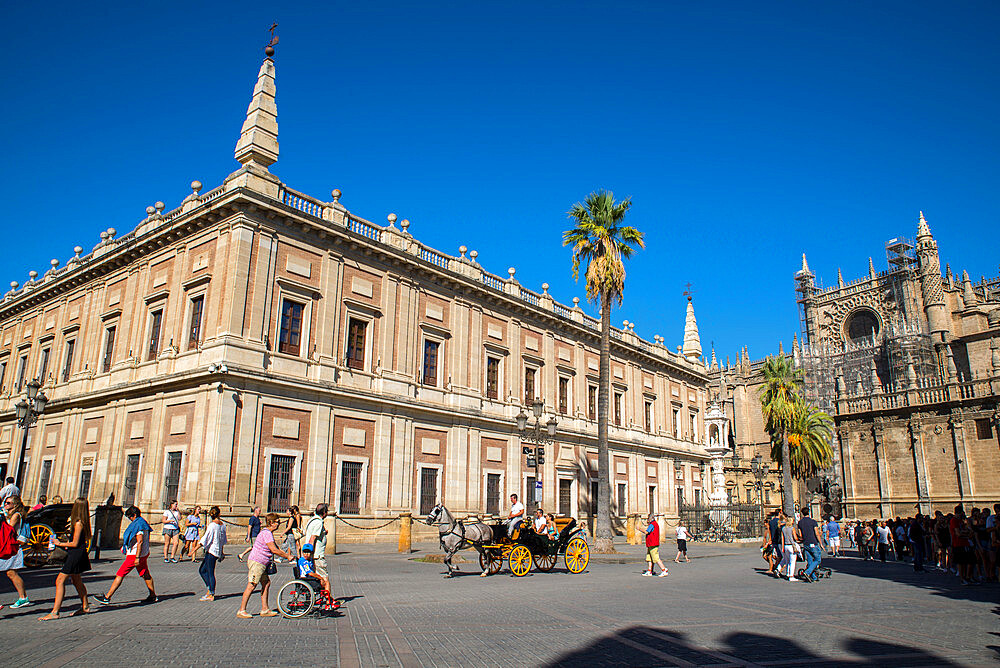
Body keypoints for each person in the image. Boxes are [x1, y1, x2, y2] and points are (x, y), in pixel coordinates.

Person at [39, 497, 91, 620]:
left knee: (60, 581)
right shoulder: (81, 522)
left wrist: (59, 543)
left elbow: (74, 543)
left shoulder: (78, 523)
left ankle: (55, 612)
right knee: (76, 580)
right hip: (78, 553)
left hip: (75, 554)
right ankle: (85, 606)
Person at [95, 506, 157, 606]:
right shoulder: (142, 522)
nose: (130, 520)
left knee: (120, 574)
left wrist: (136, 557)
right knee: (145, 574)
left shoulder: (138, 525)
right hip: (143, 554)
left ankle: (107, 597)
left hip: (135, 555)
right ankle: (153, 595)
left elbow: (140, 541)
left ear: (134, 515)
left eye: (130, 517)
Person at [236, 513, 291, 619]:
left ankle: (265, 609)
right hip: (257, 562)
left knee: (266, 583)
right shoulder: (266, 533)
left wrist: (285, 554)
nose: (279, 524)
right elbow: (274, 550)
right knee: (252, 585)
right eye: (277, 522)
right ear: (271, 523)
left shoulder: (268, 533)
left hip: (262, 563)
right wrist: (287, 556)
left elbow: (276, 547)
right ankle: (241, 610)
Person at [0, 495, 30, 609]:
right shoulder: (11, 515)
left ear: (15, 504)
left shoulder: (16, 515)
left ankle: (23, 598)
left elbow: (8, 529)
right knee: (11, 573)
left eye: (8, 503)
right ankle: (23, 597)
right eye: (5, 502)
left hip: (11, 547)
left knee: (12, 573)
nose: (5, 505)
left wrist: (3, 517)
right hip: (9, 546)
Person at [198, 506, 227, 601]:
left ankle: (211, 592)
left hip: (211, 551)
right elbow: (223, 540)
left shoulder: (212, 525)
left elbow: (205, 539)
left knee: (209, 572)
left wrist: (193, 550)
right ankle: (209, 589)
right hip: (216, 551)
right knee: (203, 570)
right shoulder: (222, 525)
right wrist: (222, 552)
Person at [303, 504, 329, 579]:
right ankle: (327, 591)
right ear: (324, 513)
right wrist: (309, 555)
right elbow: (312, 539)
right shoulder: (318, 522)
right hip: (317, 556)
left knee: (318, 578)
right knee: (324, 579)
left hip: (314, 556)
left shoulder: (312, 520)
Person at [798, 507, 822, 581]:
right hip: (813, 542)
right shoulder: (813, 522)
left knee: (810, 560)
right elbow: (816, 533)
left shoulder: (800, 522)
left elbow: (800, 535)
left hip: (805, 543)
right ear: (809, 512)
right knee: (818, 559)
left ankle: (813, 577)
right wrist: (821, 543)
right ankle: (807, 572)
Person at [777, 515, 802, 581]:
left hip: (785, 546)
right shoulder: (792, 528)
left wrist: (782, 548)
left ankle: (788, 574)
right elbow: (795, 538)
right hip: (791, 546)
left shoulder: (783, 528)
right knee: (792, 561)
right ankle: (791, 576)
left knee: (787, 561)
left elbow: (782, 539)